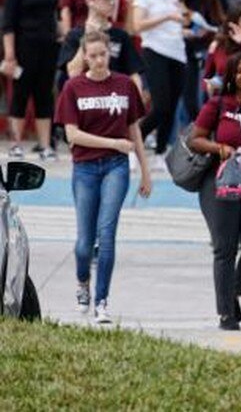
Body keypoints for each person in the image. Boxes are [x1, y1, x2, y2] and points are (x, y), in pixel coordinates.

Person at [55, 30, 152, 324]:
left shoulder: (124, 85)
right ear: (85, 56)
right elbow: (72, 135)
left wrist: (145, 172)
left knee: (106, 235)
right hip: (85, 167)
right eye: (93, 55)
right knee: (85, 243)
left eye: (103, 54)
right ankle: (82, 281)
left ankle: (102, 301)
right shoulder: (73, 88)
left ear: (109, 52)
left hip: (116, 167)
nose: (98, 60)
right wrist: (112, 142)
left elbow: (134, 128)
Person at [189, 52, 241, 330]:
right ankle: (226, 313)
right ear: (232, 77)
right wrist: (218, 148)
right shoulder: (219, 103)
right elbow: (195, 138)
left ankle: (232, 291)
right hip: (220, 183)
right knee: (225, 248)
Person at [3, 0, 60, 160]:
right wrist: (10, 54)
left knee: (44, 95)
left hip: (48, 48)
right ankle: (16, 143)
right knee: (21, 93)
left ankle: (45, 145)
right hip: (24, 48)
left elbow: (53, 17)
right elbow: (8, 24)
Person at [133, 0, 189, 157]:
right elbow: (138, 25)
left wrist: (187, 28)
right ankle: (134, 140)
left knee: (172, 106)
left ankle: (160, 150)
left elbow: (181, 18)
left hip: (177, 52)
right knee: (161, 106)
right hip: (155, 50)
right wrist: (166, 17)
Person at [59, 0, 144, 93]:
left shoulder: (120, 35)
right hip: (85, 97)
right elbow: (73, 73)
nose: (112, 3)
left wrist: (137, 101)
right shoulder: (75, 35)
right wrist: (87, 36)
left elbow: (134, 74)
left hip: (114, 96)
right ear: (90, 1)